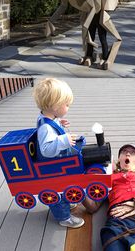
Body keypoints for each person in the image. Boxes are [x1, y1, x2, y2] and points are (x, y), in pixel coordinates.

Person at [83, 144, 135, 250]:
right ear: (119, 159)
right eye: (124, 152)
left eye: (132, 153)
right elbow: (92, 207)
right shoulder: (108, 178)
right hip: (118, 222)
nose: (128, 153)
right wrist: (80, 192)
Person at [33, 77, 85, 228]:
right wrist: (63, 140)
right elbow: (47, 149)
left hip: (57, 163)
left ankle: (67, 201)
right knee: (58, 189)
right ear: (55, 106)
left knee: (66, 186)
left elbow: (50, 124)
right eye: (66, 105)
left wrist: (58, 122)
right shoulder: (45, 128)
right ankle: (64, 218)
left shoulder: (47, 118)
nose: (68, 107)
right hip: (52, 168)